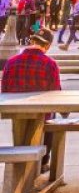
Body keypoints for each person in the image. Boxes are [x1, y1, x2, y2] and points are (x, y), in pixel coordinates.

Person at [1, 27, 61, 172]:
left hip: (16, 112)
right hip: (42, 115)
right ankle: (42, 162)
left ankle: (22, 163)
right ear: (47, 46)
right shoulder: (50, 64)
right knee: (53, 120)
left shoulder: (11, 62)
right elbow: (56, 94)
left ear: (32, 41)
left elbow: (4, 89)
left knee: (21, 129)